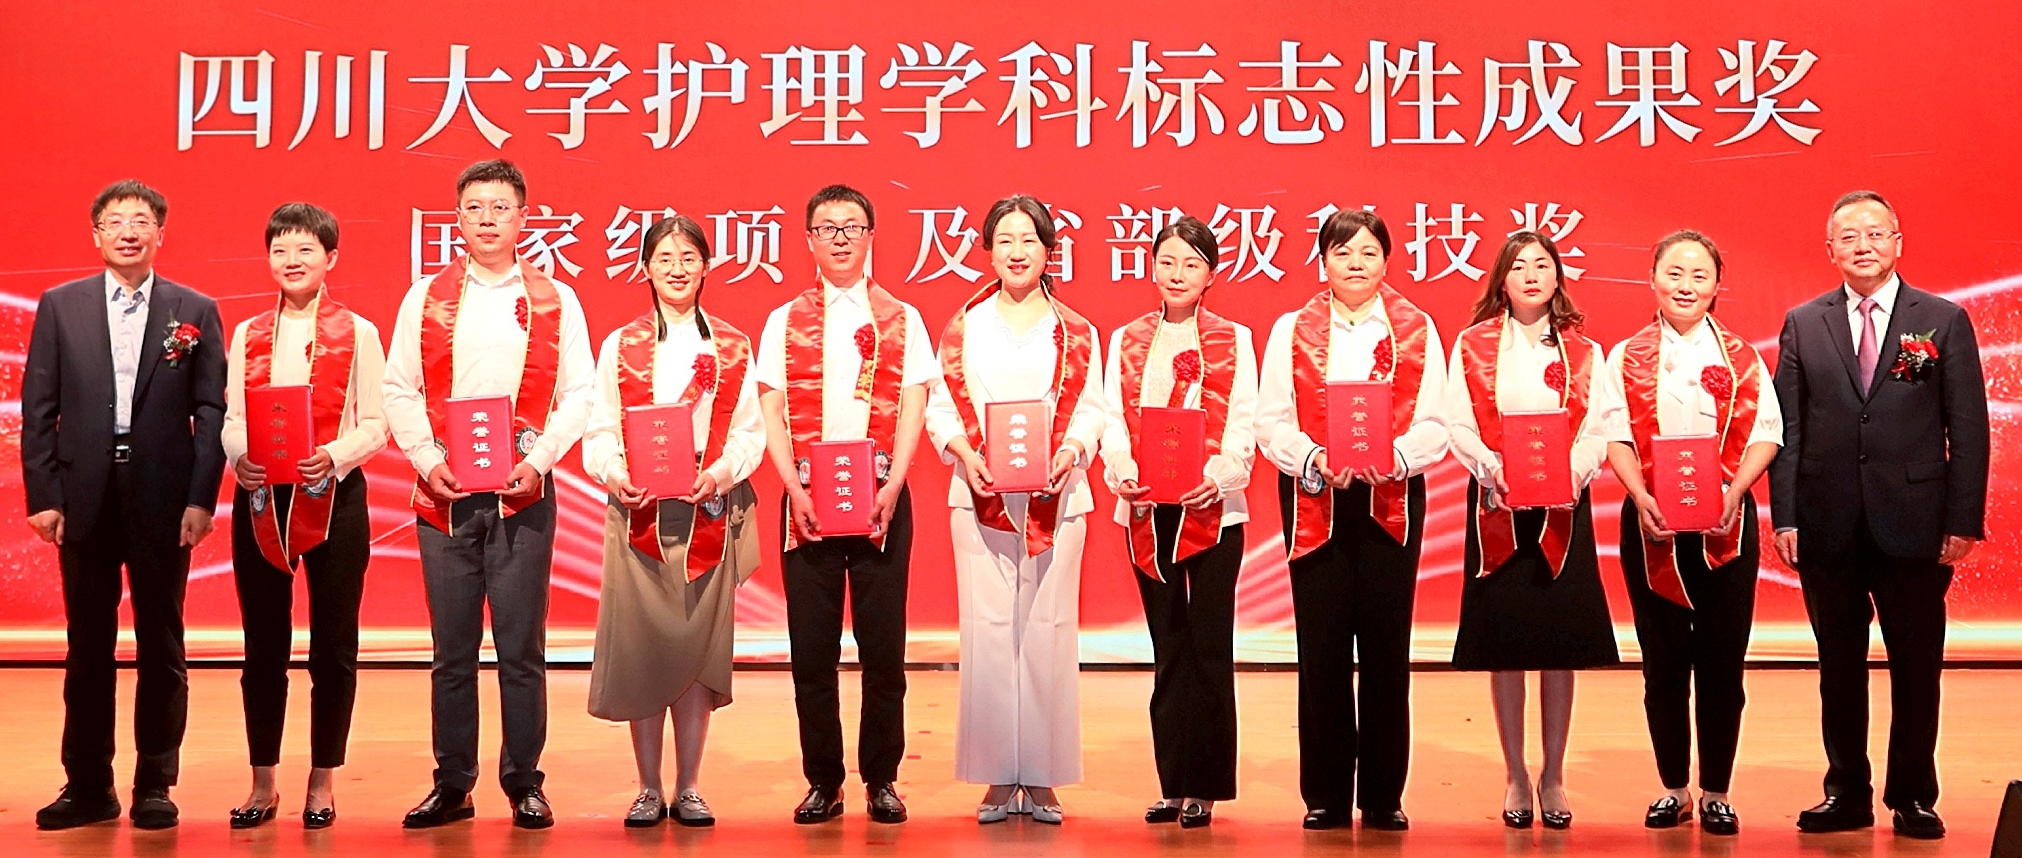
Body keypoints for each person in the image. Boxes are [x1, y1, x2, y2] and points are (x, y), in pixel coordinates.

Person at [382, 159, 596, 830]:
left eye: (500, 207)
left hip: (522, 496)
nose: (486, 219)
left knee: (520, 650)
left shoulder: (556, 300)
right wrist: (426, 460)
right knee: (451, 652)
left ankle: (524, 782)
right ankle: (453, 783)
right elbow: (398, 389)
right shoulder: (425, 297)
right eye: (474, 207)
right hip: (444, 496)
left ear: (523, 218)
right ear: (457, 217)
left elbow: (580, 393)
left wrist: (538, 460)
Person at [1770, 192, 1987, 840]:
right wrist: (1786, 517)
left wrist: (1963, 519)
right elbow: (1788, 428)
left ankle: (1914, 795)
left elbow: (1967, 427)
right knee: (1838, 668)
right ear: (1829, 249)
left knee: (1916, 667)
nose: (1861, 245)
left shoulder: (1940, 320)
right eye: (1848, 236)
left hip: (1916, 523)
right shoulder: (1804, 323)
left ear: (1898, 242)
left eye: (1874, 233)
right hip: (1827, 522)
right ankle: (1846, 792)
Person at [23, 180, 226, 831]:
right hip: (83, 494)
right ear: (97, 235)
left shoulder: (193, 310)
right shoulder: (62, 306)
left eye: (141, 220)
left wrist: (200, 498)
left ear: (161, 233)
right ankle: (88, 784)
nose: (128, 232)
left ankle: (155, 783)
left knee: (162, 640)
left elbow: (211, 412)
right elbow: (39, 408)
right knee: (87, 643)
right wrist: (44, 495)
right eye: (115, 222)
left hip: (163, 496)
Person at [1255, 209, 1448, 831]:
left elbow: (1436, 424)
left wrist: (1393, 459)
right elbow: (1270, 421)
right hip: (1316, 499)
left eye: (1368, 252)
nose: (1356, 263)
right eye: (1342, 253)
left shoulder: (1417, 328)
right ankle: (1326, 795)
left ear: (1387, 261)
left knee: (1388, 652)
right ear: (1323, 263)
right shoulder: (1291, 329)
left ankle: (1385, 795)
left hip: (1391, 502)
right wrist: (1313, 457)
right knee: (1323, 651)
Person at [756, 184, 939, 825]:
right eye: (827, 227)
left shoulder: (902, 318)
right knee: (812, 652)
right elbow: (772, 409)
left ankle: (882, 778)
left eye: (852, 226)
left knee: (883, 650)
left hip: (880, 502)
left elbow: (914, 403)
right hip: (807, 503)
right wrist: (793, 488)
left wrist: (893, 485)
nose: (840, 237)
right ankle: (824, 780)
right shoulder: (783, 321)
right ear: (808, 239)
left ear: (870, 236)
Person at [925, 195, 1105, 825]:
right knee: (989, 632)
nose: (1017, 251)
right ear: (988, 251)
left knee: (1049, 632)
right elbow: (940, 406)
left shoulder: (1076, 330)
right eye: (1004, 240)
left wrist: (1072, 451)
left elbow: (1093, 409)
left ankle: (1045, 777)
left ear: (1050, 250)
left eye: (1029, 239)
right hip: (979, 496)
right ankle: (999, 777)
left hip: (1059, 497)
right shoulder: (964, 328)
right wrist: (963, 453)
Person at [1595, 230, 1781, 836]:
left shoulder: (1742, 357)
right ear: (1652, 279)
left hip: (1727, 525)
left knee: (1723, 664)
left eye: (1699, 275)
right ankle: (1673, 788)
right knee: (1663, 663)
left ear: (1717, 285)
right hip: (1651, 524)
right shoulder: (1625, 356)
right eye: (1674, 273)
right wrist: (1641, 495)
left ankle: (1717, 790)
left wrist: (1734, 493)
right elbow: (1613, 434)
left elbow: (1767, 434)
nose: (1685, 286)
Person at [582, 215, 765, 828]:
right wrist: (615, 474)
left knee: (694, 650)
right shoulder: (620, 345)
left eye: (689, 257)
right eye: (664, 258)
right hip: (638, 517)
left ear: (707, 267)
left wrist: (721, 473)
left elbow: (750, 433)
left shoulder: (734, 346)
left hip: (707, 513)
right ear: (645, 269)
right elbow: (599, 430)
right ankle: (646, 786)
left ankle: (688, 786)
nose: (677, 268)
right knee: (643, 650)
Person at [220, 203, 388, 829]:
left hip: (334, 497)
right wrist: (240, 456)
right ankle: (263, 781)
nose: (292, 261)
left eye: (305, 250)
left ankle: (322, 780)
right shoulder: (247, 334)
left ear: (331, 258)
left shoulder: (360, 333)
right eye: (281, 250)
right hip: (263, 499)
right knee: (263, 645)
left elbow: (377, 422)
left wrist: (335, 456)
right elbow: (234, 419)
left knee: (334, 645)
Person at [1444, 231, 1617, 830]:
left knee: (1558, 646)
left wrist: (1573, 472)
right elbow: (1457, 423)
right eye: (1518, 266)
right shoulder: (1472, 345)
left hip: (1563, 507)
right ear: (1502, 279)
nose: (1531, 275)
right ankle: (1516, 773)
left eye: (1542, 264)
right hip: (1497, 504)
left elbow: (1599, 428)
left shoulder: (1585, 351)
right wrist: (1489, 467)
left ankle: (1554, 775)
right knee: (1508, 645)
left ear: (1558, 276)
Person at [1097, 216, 1257, 829]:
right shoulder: (1128, 339)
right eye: (1167, 261)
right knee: (1168, 649)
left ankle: (1205, 787)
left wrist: (1218, 475)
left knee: (1209, 647)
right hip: (1148, 511)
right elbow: (1112, 418)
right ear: (1151, 267)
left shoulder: (1235, 339)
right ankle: (1172, 782)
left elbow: (1243, 424)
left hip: (1213, 512)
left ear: (1211, 274)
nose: (1178, 273)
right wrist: (1121, 470)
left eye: (1192, 263)